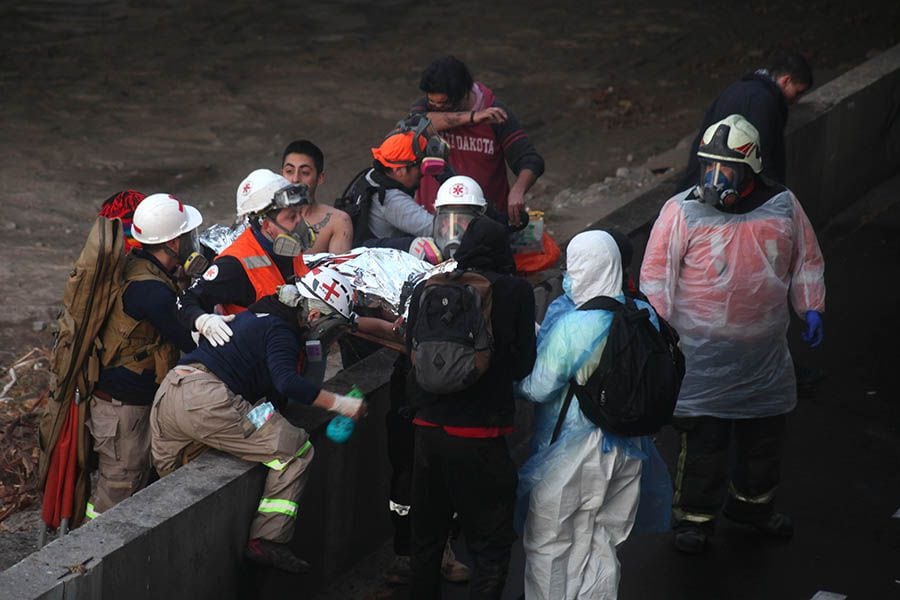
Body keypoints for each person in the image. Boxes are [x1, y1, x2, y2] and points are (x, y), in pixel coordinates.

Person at [640, 114, 826, 554]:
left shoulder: (782, 205)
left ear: (750, 169)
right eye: (708, 166)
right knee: (705, 442)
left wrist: (811, 306)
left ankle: (752, 508)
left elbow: (807, 260)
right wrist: (658, 333)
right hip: (702, 361)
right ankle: (695, 519)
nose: (714, 178)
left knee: (763, 440)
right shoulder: (682, 210)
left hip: (762, 358)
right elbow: (656, 277)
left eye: (726, 169)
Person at [151, 267, 365, 573]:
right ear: (316, 317)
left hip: (171, 394)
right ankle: (268, 539)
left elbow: (263, 397)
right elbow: (287, 383)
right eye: (331, 328)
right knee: (296, 451)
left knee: (175, 490)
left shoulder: (260, 315)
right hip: (206, 400)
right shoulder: (282, 330)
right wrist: (341, 404)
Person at [515, 230, 671, 600]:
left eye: (573, 265)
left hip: (570, 456)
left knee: (551, 545)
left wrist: (511, 379)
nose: (568, 273)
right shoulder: (644, 314)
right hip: (629, 450)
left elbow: (538, 388)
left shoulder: (573, 325)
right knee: (602, 541)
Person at [406, 216, 536, 599]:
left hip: (427, 433)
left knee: (426, 540)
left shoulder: (428, 288)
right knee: (490, 545)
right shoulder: (514, 292)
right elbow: (524, 364)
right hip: (482, 437)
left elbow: (413, 352)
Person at [85, 193, 204, 519]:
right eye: (186, 236)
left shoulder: (139, 265)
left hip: (129, 404)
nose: (191, 242)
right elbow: (189, 339)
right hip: (124, 412)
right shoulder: (152, 291)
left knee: (135, 485)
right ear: (172, 243)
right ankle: (88, 560)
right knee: (119, 491)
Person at [177, 169, 313, 344]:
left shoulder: (287, 247)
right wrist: (203, 321)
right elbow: (186, 300)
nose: (299, 222)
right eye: (291, 216)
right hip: (256, 361)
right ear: (266, 224)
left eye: (300, 214)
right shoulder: (233, 264)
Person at [411, 55, 545, 226]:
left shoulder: (496, 113)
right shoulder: (425, 109)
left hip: (486, 220)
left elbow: (530, 160)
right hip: (434, 221)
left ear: (464, 94)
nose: (436, 107)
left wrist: (518, 191)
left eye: (443, 104)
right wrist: (472, 117)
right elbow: (416, 125)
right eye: (432, 102)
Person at [680, 50, 813, 189]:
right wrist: (775, 195)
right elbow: (763, 157)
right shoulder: (764, 101)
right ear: (786, 80)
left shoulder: (738, 89)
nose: (797, 100)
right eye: (798, 92)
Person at [281, 139, 354, 254]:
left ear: (320, 178)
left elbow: (338, 270)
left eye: (305, 172)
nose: (295, 179)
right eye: (289, 171)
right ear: (281, 175)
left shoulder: (338, 221)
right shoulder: (266, 218)